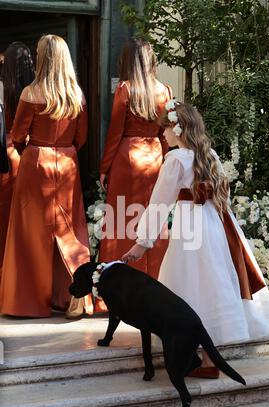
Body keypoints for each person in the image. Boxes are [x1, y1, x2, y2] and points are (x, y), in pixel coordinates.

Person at [123, 100, 269, 378]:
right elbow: (223, 196)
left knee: (188, 285)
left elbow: (159, 203)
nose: (163, 135)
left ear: (180, 130)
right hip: (215, 226)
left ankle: (200, 358)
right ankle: (207, 359)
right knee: (210, 285)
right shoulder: (211, 156)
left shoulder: (175, 160)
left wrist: (142, 241)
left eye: (167, 130)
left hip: (190, 231)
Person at [0, 34, 93, 318]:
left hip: (35, 162)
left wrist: (30, 149)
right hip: (67, 162)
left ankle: (29, 301)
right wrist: (64, 151)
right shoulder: (76, 94)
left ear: (43, 58)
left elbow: (16, 136)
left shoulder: (31, 92)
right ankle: (75, 294)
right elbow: (82, 137)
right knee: (71, 230)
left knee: (30, 234)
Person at [97, 38, 172, 312]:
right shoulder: (164, 89)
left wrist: (104, 168)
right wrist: (168, 162)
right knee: (154, 219)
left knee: (121, 222)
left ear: (127, 60)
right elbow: (166, 134)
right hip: (155, 158)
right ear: (151, 60)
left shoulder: (126, 89)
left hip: (128, 159)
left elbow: (115, 132)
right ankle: (156, 283)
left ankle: (117, 290)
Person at [0, 42, 35, 282]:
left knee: (4, 219)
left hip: (8, 153)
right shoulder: (34, 89)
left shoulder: (3, 88)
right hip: (30, 156)